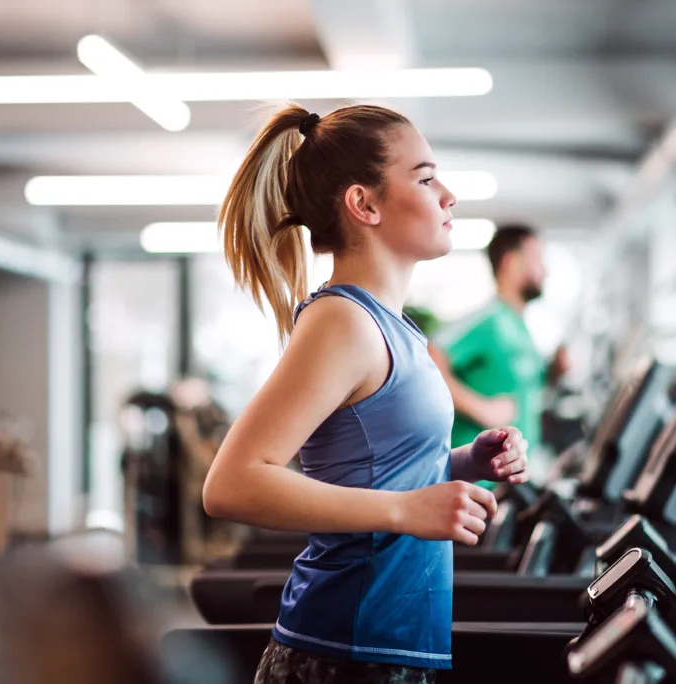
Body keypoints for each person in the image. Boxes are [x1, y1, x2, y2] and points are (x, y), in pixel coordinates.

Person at [202, 104, 530, 684]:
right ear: (365, 204)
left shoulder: (392, 327)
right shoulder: (344, 323)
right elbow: (232, 483)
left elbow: (373, 471)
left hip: (387, 646)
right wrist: (405, 509)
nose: (447, 194)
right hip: (342, 651)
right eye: (426, 178)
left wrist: (465, 462)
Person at [429, 224, 569, 483]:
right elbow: (430, 357)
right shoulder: (489, 320)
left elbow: (526, 389)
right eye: (536, 259)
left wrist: (555, 371)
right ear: (510, 262)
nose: (545, 271)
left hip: (511, 477)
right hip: (478, 481)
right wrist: (481, 409)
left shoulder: (520, 326)